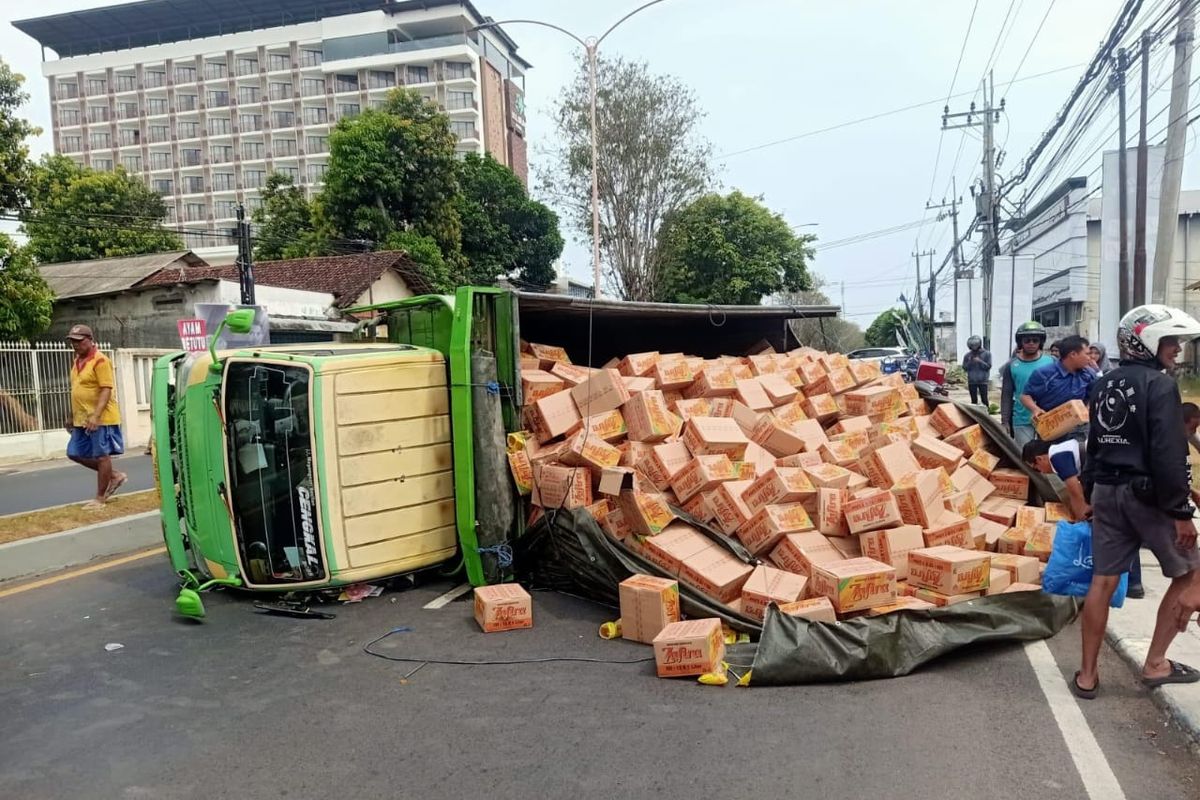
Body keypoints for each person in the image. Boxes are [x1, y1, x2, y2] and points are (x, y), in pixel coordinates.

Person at [1073, 304, 1200, 700]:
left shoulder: (1103, 382)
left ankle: (1087, 676)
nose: (1178, 348)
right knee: (1192, 575)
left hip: (1107, 493)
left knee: (1102, 581)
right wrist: (1181, 512)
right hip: (1148, 497)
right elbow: (1169, 451)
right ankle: (1156, 663)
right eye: (1171, 340)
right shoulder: (1159, 386)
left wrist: (1090, 492)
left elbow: (1095, 441)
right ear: (1145, 341)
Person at [64, 325, 127, 509]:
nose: (75, 345)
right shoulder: (77, 361)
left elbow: (106, 389)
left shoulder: (100, 361)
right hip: (81, 418)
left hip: (100, 418)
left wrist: (96, 415)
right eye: (72, 341)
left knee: (101, 456)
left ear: (90, 340)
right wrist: (71, 415)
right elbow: (77, 391)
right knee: (74, 452)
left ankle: (100, 498)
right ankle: (114, 475)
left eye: (79, 341)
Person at [1020, 334, 1095, 444]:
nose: (1090, 357)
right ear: (1073, 354)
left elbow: (1095, 394)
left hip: (1079, 431)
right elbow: (1025, 396)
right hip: (1051, 429)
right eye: (1087, 354)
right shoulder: (1044, 373)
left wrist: (1088, 409)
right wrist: (1035, 409)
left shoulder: (1088, 374)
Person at [999, 321, 1056, 447]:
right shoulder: (1012, 365)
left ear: (1041, 342)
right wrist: (1005, 421)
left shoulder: (1051, 362)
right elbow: (1006, 395)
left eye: (1035, 340)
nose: (1031, 343)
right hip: (1022, 419)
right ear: (1020, 342)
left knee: (1046, 456)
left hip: (1048, 417)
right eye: (1027, 340)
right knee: (1025, 456)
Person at [1022, 438, 1089, 522]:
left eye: (1036, 469)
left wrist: (1081, 521)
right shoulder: (1058, 451)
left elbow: (1074, 491)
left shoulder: (1057, 457)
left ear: (1039, 459)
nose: (1041, 472)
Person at [961, 335, 992, 406]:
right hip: (972, 381)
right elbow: (964, 368)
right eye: (971, 348)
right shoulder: (967, 355)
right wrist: (970, 362)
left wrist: (980, 361)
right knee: (973, 400)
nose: (973, 350)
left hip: (983, 381)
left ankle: (985, 414)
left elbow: (988, 366)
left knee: (984, 399)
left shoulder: (987, 354)